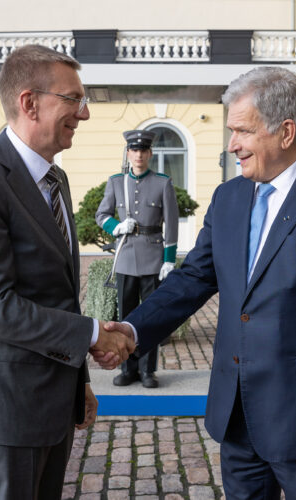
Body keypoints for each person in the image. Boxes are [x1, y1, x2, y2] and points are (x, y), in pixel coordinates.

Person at [103, 67, 296, 499]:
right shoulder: (229, 197)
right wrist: (132, 329)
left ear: (286, 131)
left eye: (242, 131)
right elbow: (194, 278)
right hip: (236, 417)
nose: (232, 144)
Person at [0, 44, 134, 500]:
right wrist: (91, 334)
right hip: (4, 411)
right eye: (73, 100)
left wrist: (78, 383)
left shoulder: (54, 178)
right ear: (29, 102)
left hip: (50, 403)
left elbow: (56, 295)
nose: (83, 114)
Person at [95, 129, 179, 388]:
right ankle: (127, 369)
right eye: (135, 150)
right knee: (125, 317)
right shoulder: (116, 182)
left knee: (151, 316)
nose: (139, 154)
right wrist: (116, 227)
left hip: (153, 256)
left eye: (144, 150)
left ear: (150, 154)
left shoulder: (162, 182)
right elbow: (101, 215)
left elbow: (172, 224)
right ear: (128, 153)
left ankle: (147, 371)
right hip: (126, 258)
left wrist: (169, 259)